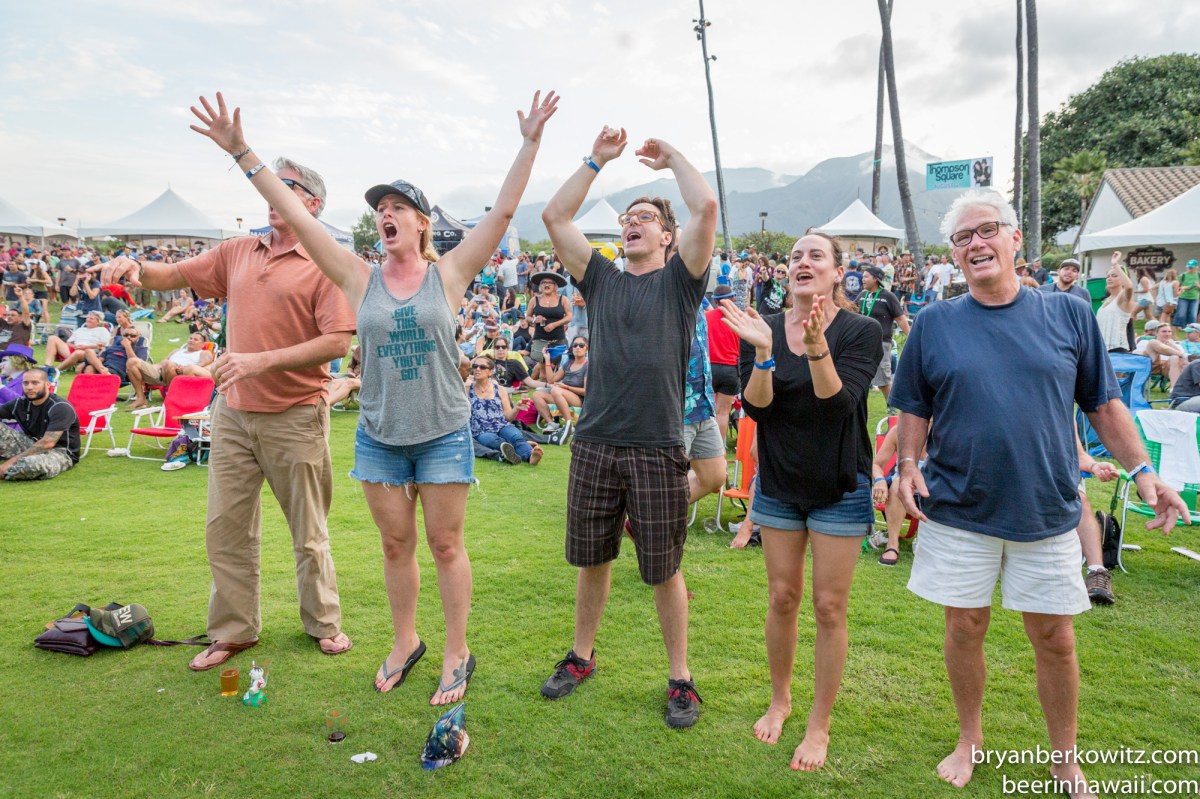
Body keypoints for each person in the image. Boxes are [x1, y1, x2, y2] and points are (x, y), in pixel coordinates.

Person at [188, 90, 557, 699]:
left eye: (397, 206)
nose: (385, 213)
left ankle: (457, 651)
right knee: (395, 546)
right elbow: (298, 214)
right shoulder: (358, 278)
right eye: (379, 207)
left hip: (440, 433)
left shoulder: (451, 274)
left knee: (445, 545)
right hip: (381, 437)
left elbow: (503, 212)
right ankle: (406, 641)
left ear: (421, 222)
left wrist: (530, 140)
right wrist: (242, 152)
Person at [891, 189, 1188, 795]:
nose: (975, 243)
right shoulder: (935, 323)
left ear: (1015, 239)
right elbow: (914, 407)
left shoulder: (1069, 314)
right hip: (959, 505)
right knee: (965, 625)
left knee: (1054, 636)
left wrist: (1142, 473)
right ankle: (970, 738)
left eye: (987, 230)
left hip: (1047, 505)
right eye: (962, 238)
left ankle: (1064, 758)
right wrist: (907, 463)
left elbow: (1104, 405)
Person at [111, 103, 359, 672]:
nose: (272, 193)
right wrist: (134, 269)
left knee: (309, 533)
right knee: (226, 530)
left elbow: (337, 342)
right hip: (232, 417)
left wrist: (256, 362)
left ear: (312, 203)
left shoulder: (326, 261)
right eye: (269, 183)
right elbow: (170, 277)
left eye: (287, 185)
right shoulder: (237, 251)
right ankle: (233, 631)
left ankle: (323, 624)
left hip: (296, 412)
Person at [538, 125, 717, 729]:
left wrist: (672, 160)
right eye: (627, 217)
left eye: (645, 217)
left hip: (660, 445)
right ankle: (581, 657)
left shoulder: (680, 282)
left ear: (668, 236)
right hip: (594, 443)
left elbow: (706, 206)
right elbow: (556, 215)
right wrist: (596, 160)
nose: (631, 222)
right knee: (593, 560)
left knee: (663, 567)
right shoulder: (603, 279)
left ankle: (681, 679)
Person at [721, 229, 882, 770]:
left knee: (829, 607)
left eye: (817, 255)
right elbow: (758, 410)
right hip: (781, 484)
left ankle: (819, 725)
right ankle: (781, 700)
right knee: (782, 598)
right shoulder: (759, 328)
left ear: (838, 272)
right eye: (795, 256)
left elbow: (838, 405)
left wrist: (816, 349)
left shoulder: (860, 331)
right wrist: (765, 353)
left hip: (840, 484)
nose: (803, 262)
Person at [0, 368, 79, 481]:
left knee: (29, 466)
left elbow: (48, 443)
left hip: (59, 453)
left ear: (47, 384)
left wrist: (10, 462)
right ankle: (12, 469)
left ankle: (11, 468)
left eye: (35, 383)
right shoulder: (20, 404)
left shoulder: (60, 407)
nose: (29, 387)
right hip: (31, 444)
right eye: (26, 383)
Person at [467, 354, 543, 465]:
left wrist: (516, 408)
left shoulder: (500, 390)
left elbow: (508, 416)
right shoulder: (468, 389)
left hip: (501, 425)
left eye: (482, 367)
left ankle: (530, 456)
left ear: (490, 372)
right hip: (480, 430)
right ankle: (518, 450)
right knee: (495, 441)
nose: (477, 369)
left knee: (516, 436)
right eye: (475, 366)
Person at [857, 265, 909, 405]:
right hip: (862, 343)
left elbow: (901, 319)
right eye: (863, 276)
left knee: (883, 379)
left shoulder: (888, 297)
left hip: (881, 343)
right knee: (859, 376)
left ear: (875, 279)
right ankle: (857, 407)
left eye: (866, 276)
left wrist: (911, 339)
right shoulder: (862, 295)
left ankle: (891, 407)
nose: (863, 279)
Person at [125, 332, 215, 409]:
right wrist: (150, 368)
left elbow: (202, 364)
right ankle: (141, 398)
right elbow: (162, 363)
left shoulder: (204, 353)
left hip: (181, 374)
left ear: (203, 344)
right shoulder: (177, 351)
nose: (191, 340)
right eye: (190, 338)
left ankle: (170, 400)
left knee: (169, 364)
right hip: (163, 372)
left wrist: (183, 368)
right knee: (132, 362)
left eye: (195, 340)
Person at [530, 334, 588, 437]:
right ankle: (552, 423)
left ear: (586, 348)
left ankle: (569, 425)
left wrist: (565, 387)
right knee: (537, 394)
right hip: (560, 395)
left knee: (556, 390)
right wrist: (547, 359)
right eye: (575, 345)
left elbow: (586, 391)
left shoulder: (587, 366)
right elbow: (551, 380)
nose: (577, 347)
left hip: (578, 399)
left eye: (581, 345)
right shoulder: (568, 364)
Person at [705, 283, 740, 445]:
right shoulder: (740, 318)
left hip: (709, 369)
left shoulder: (706, 317)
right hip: (731, 370)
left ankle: (708, 451)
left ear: (715, 301)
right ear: (732, 298)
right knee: (723, 413)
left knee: (707, 413)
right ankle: (719, 450)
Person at [526, 270, 571, 369]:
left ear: (555, 286)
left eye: (549, 282)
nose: (546, 285)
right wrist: (534, 320)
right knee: (543, 371)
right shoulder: (534, 300)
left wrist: (555, 324)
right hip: (540, 339)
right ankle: (542, 384)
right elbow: (527, 317)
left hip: (558, 340)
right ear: (540, 286)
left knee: (558, 368)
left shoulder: (563, 299)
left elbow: (569, 317)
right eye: (543, 283)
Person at [44, 311, 112, 371]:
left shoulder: (102, 330)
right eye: (87, 318)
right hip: (75, 349)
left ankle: (56, 370)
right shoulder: (80, 329)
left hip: (90, 353)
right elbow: (69, 342)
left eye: (91, 318)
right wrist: (74, 346)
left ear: (98, 321)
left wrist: (86, 347)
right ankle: (48, 365)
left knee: (78, 353)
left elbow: (104, 345)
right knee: (52, 338)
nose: (88, 320)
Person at [1094, 252, 1135, 352]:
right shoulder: (1106, 300)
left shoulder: (1122, 298)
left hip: (1117, 349)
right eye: (1108, 276)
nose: (1109, 278)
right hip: (1102, 349)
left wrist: (1115, 264)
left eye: (1114, 276)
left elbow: (1129, 287)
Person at [82, 324, 149, 383]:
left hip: (118, 372)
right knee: (89, 357)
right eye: (126, 335)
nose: (128, 337)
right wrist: (101, 368)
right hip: (105, 369)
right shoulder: (112, 347)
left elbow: (135, 363)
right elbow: (100, 360)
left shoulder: (140, 349)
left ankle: (93, 392)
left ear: (138, 339)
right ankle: (90, 394)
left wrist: (127, 346)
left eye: (132, 336)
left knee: (90, 368)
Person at [1173, 258, 1200, 327]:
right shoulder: (1183, 275)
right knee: (1181, 313)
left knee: (1193, 315)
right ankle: (1178, 326)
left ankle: (1191, 328)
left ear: (1196, 267)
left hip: (1195, 298)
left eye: (1191, 267)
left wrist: (1198, 286)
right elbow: (1177, 285)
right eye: (1189, 267)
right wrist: (1182, 288)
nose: (1190, 268)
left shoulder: (1198, 275)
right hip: (1183, 297)